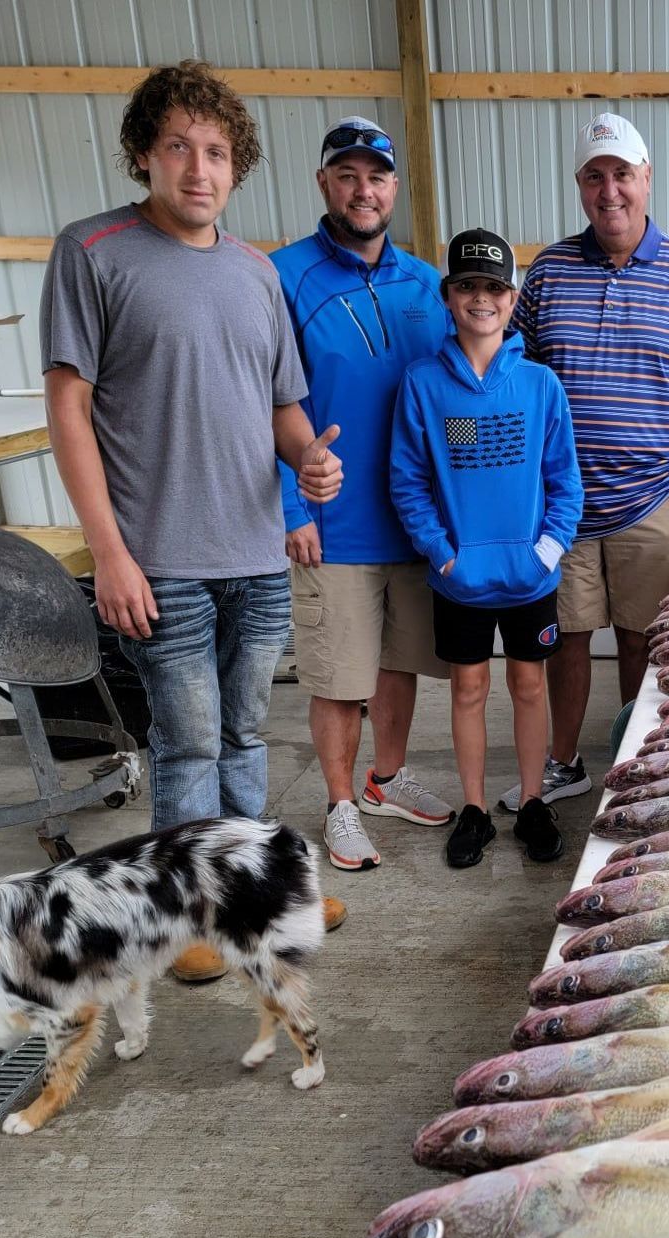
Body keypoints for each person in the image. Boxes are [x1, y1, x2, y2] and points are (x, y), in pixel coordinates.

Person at [39, 59, 347, 983]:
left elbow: (282, 407)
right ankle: (187, 916)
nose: (198, 168)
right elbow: (67, 406)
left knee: (249, 733)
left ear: (236, 166)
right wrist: (109, 553)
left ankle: (251, 895)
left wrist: (310, 459)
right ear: (144, 154)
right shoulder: (92, 252)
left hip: (254, 553)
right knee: (187, 740)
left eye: (216, 151)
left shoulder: (257, 273)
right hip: (159, 558)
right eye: (178, 146)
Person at [505, 112, 669, 813]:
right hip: (566, 507)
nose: (609, 190)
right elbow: (514, 377)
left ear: (646, 179)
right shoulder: (548, 271)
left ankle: (637, 763)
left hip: (652, 501)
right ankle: (565, 760)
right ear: (580, 186)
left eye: (622, 175)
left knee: (644, 638)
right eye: (594, 176)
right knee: (568, 637)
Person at [272, 116, 456, 874]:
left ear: (394, 187)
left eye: (376, 176)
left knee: (397, 662)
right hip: (332, 524)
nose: (363, 189)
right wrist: (292, 508)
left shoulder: (425, 282)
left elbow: (454, 391)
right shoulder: (282, 276)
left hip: (410, 521)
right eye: (347, 175)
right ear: (324, 184)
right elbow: (265, 399)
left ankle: (385, 776)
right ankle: (341, 802)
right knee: (337, 674)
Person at [390, 229, 582, 868]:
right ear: (449, 297)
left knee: (530, 687)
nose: (482, 298)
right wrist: (443, 555)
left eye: (494, 287)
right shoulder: (423, 385)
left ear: (513, 298)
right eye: (468, 286)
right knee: (467, 691)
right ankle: (473, 809)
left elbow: (565, 483)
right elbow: (410, 480)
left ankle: (532, 800)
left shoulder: (541, 385)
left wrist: (545, 552)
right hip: (459, 579)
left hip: (529, 577)